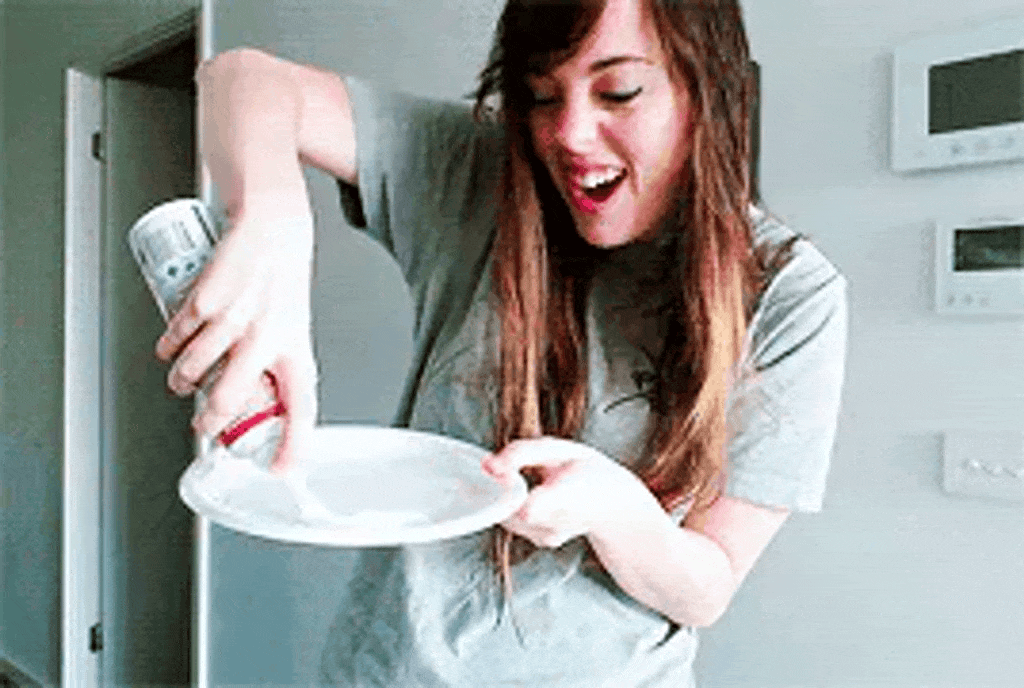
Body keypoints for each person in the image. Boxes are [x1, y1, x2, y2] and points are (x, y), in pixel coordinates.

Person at [156, 0, 848, 685]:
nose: (570, 134)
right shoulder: (482, 172)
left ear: (709, 90)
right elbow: (239, 76)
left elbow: (706, 590)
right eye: (542, 95)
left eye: (619, 92)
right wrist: (270, 219)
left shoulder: (789, 292)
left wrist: (615, 511)